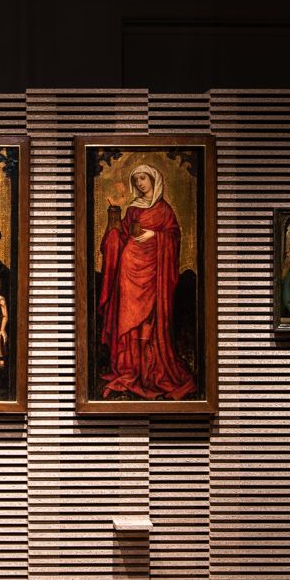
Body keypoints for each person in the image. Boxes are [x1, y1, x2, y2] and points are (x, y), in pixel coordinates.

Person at [97, 163, 197, 401]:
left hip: (153, 274)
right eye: (136, 180)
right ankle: (131, 366)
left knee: (149, 320)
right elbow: (123, 234)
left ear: (154, 179)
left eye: (143, 178)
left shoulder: (164, 210)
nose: (140, 183)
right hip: (128, 274)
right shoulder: (133, 208)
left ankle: (148, 368)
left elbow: (173, 236)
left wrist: (156, 235)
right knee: (128, 319)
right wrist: (113, 225)